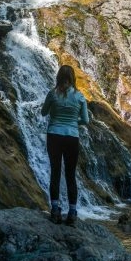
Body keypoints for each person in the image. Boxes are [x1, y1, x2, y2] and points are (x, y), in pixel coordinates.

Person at [41, 64, 89, 225]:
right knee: (70, 175)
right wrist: (74, 122)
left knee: (55, 172)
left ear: (58, 77)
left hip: (54, 135)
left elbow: (43, 112)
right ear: (73, 78)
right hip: (72, 137)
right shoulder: (79, 96)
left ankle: (55, 210)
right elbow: (86, 120)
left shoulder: (52, 94)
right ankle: (73, 212)